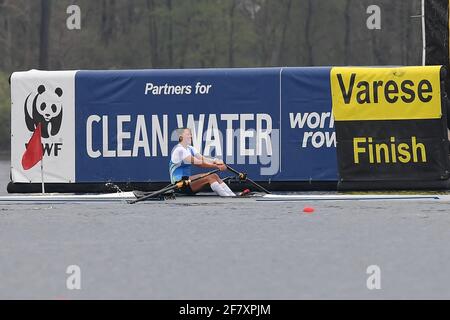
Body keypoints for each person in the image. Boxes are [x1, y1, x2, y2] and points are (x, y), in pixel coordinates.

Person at [169, 128, 236, 197]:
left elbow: (203, 159)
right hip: (179, 185)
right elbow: (198, 163)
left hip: (187, 181)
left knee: (214, 176)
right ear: (181, 136)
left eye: (190, 134)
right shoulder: (179, 150)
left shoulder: (191, 148)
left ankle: (232, 195)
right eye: (188, 134)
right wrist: (217, 166)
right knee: (209, 177)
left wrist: (215, 161)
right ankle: (227, 197)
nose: (190, 136)